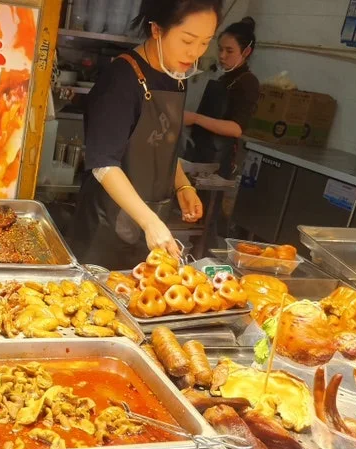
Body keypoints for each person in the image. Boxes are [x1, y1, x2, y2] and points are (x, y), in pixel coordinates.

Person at [68, 0, 220, 270]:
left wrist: (183, 186)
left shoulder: (176, 76)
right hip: (105, 230)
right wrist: (149, 221)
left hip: (149, 224)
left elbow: (161, 144)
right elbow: (104, 164)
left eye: (205, 42)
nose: (195, 53)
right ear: (157, 29)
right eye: (187, 40)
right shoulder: (121, 80)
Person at [184, 16, 260, 176]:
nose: (222, 55)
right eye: (220, 49)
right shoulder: (224, 78)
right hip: (200, 153)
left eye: (229, 51)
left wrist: (196, 119)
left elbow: (236, 129)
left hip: (217, 161)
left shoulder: (248, 82)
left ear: (246, 52)